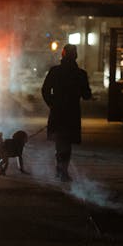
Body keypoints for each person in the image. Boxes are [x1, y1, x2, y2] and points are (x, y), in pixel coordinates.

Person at [41, 44, 92, 182]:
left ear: (62, 55)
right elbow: (86, 95)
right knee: (67, 143)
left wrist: (52, 103)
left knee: (60, 141)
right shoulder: (81, 74)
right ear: (75, 56)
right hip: (72, 113)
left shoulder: (55, 71)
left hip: (57, 112)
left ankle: (60, 169)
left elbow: (45, 90)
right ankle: (63, 170)